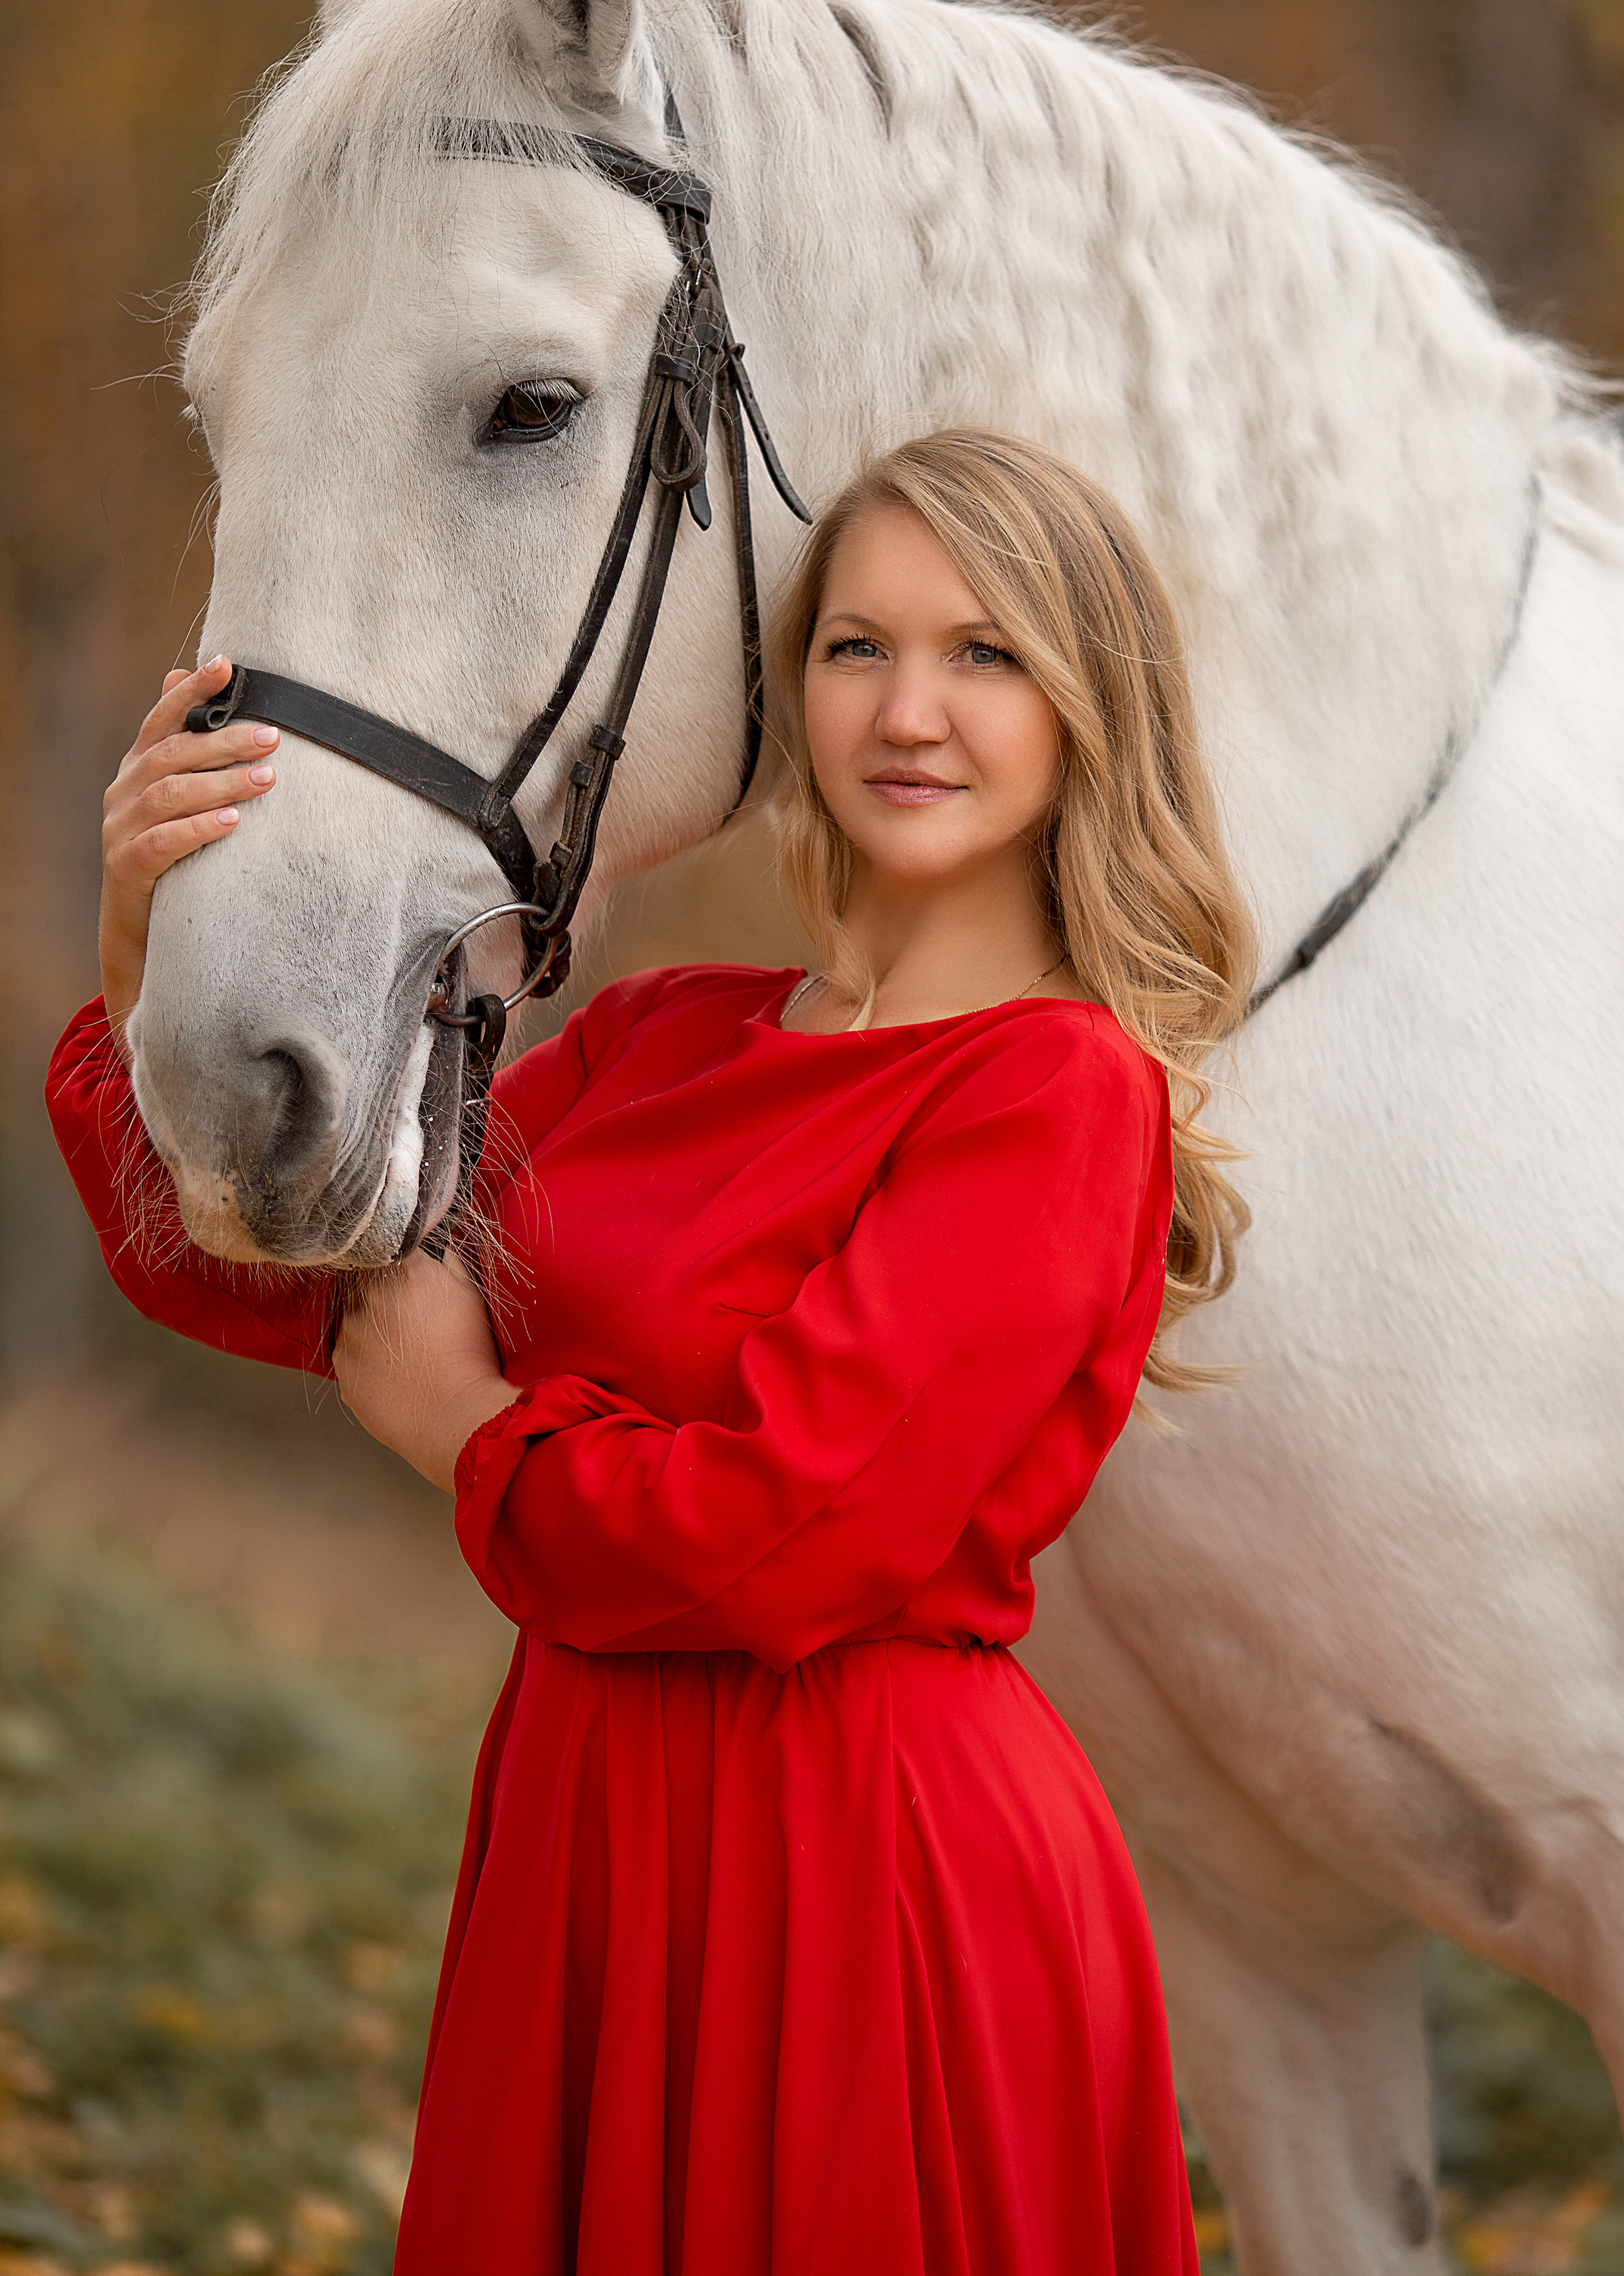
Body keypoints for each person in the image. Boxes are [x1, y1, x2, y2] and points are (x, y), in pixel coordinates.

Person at [47, 429, 1258, 2276]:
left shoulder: (1054, 1090)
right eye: (856, 648)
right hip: (589, 1833)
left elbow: (778, 1533)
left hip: (863, 1872)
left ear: (1090, 701)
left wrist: (472, 1432)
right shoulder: (669, 1038)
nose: (907, 709)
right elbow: (295, 1276)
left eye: (982, 652)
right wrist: (149, 948)